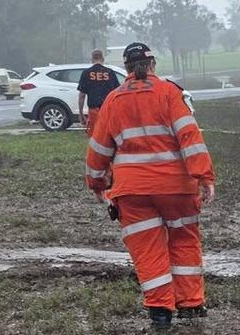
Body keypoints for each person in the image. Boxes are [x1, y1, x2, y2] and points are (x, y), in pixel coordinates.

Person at [85, 42, 216, 332]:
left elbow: (98, 148)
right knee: (183, 242)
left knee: (148, 249)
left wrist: (96, 182)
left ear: (126, 70)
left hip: (132, 192)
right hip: (177, 188)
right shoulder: (171, 93)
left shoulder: (113, 100)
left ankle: (160, 313)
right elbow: (190, 137)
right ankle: (191, 305)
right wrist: (204, 177)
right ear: (152, 64)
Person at [77, 49, 121, 136]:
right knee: (109, 135)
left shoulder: (86, 73)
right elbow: (117, 93)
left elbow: (82, 96)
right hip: (108, 110)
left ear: (92, 59)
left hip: (94, 111)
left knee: (96, 137)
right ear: (103, 59)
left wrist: (81, 113)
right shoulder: (110, 72)